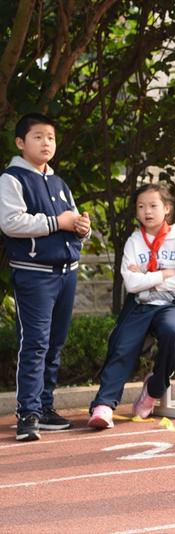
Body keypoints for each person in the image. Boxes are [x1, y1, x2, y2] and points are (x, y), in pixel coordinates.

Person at [0, 112, 91, 441]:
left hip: (67, 272)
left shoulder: (59, 182)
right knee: (35, 344)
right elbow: (11, 223)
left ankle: (46, 407)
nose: (46, 143)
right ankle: (27, 413)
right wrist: (59, 222)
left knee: (55, 344)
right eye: (38, 137)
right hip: (34, 275)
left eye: (50, 137)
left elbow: (73, 223)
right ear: (21, 143)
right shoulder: (11, 179)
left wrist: (83, 228)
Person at [88, 184, 175, 428]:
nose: (146, 211)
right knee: (122, 346)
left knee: (172, 333)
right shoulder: (134, 242)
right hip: (139, 305)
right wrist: (164, 275)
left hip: (171, 305)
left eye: (153, 205)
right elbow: (132, 284)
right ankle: (103, 405)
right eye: (141, 206)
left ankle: (153, 389)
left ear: (167, 208)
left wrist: (148, 278)